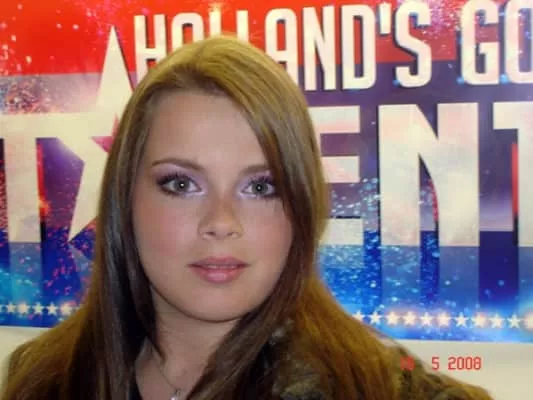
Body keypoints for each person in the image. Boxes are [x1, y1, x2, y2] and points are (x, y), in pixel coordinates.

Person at [1, 34, 494, 400]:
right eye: (181, 184)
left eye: (261, 187)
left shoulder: (384, 389)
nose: (221, 221)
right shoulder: (42, 379)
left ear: (301, 206)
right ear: (124, 198)